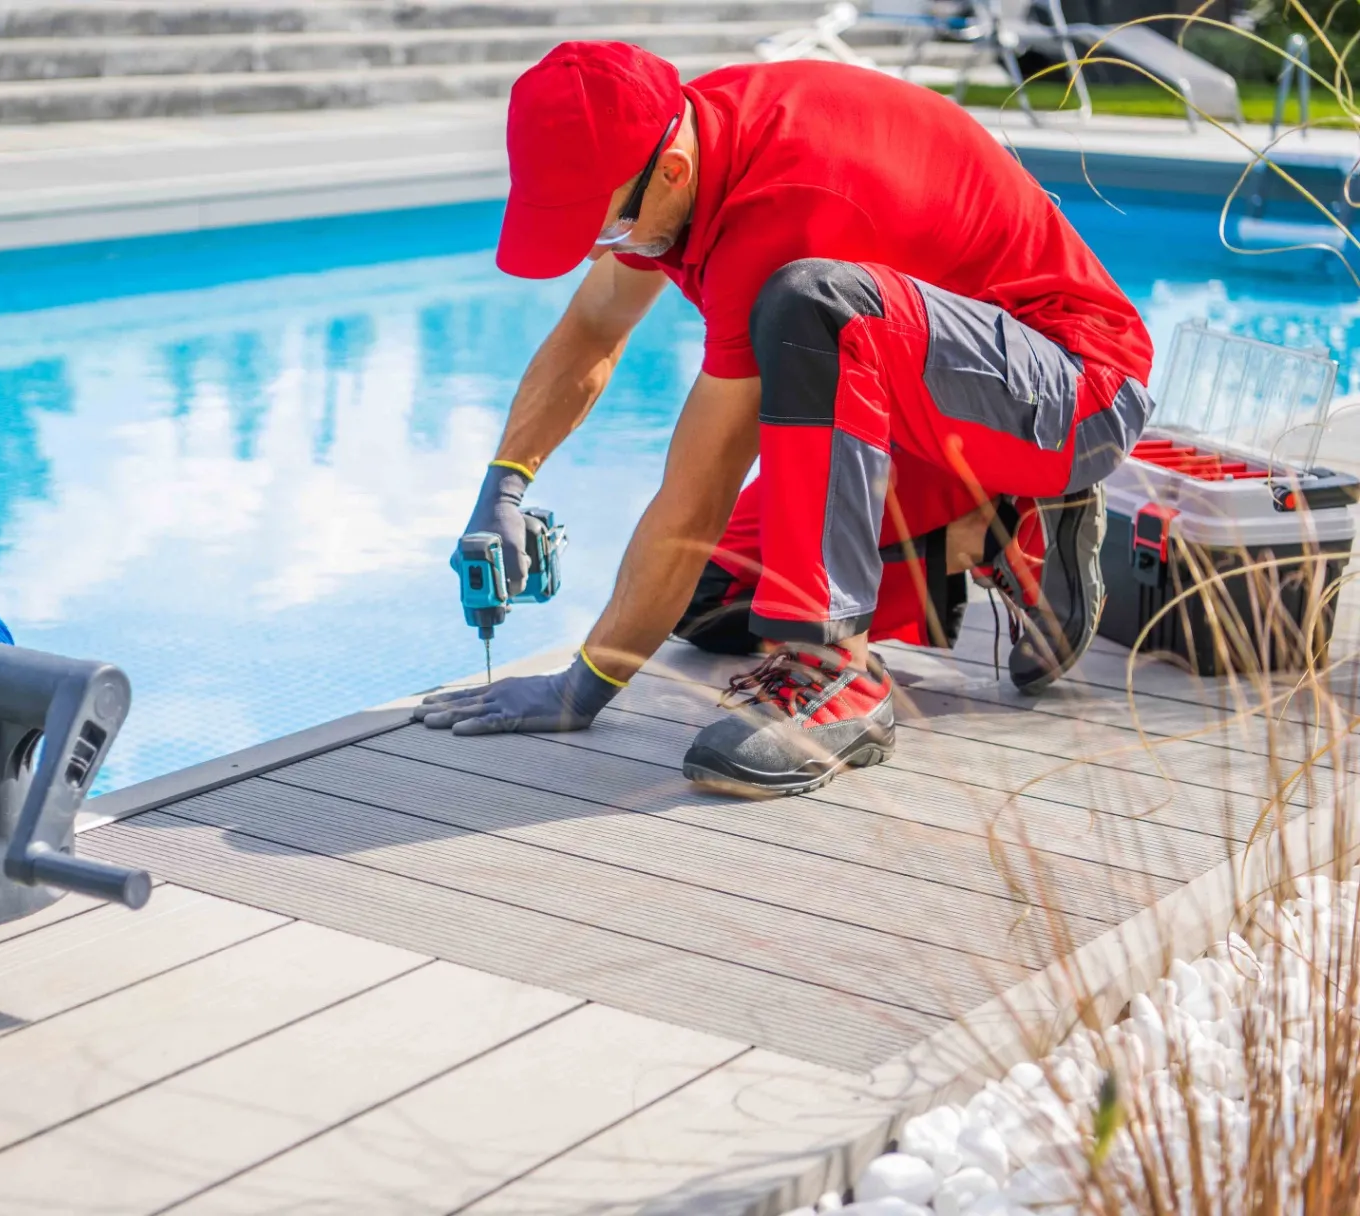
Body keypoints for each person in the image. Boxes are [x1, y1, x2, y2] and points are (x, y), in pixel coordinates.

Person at [414, 42, 1154, 797]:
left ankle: (839, 682)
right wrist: (503, 484)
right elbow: (594, 328)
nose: (608, 253)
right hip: (942, 406)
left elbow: (693, 497)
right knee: (713, 599)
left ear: (671, 172)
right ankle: (993, 527)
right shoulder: (679, 145)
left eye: (607, 232)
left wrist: (585, 686)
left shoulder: (778, 211)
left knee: (812, 308)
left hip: (1072, 395)